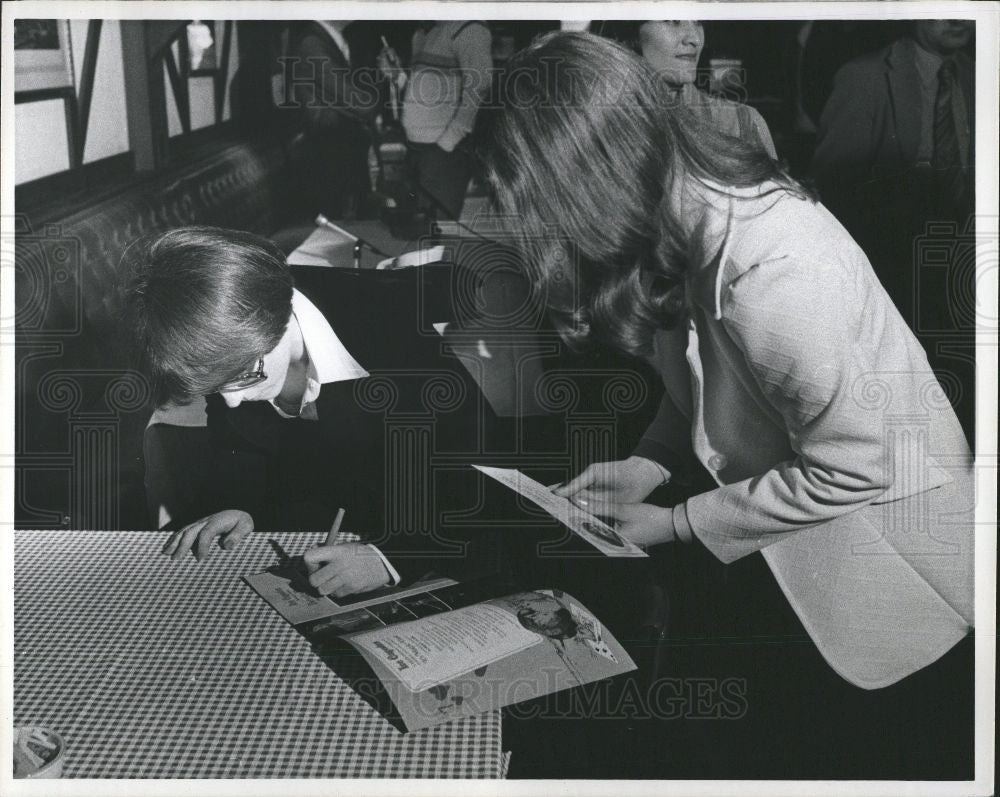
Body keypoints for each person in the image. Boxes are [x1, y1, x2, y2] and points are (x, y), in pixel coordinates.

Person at [483, 32, 974, 778]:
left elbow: (857, 467)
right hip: (799, 549)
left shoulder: (774, 268)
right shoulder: (686, 214)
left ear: (584, 178)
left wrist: (677, 521)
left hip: (892, 568)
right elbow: (714, 384)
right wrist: (649, 463)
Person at [120, 226, 495, 597]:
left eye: (243, 376)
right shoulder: (228, 336)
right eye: (216, 389)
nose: (232, 401)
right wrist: (237, 503)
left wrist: (390, 558)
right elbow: (239, 443)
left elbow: (482, 479)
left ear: (276, 320)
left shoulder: (398, 332)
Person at [810, 20, 975, 437]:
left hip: (965, 272)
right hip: (893, 279)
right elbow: (835, 196)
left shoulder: (977, 74)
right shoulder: (863, 77)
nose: (956, 17)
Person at [602, 20, 777, 158]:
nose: (695, 39)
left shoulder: (741, 124)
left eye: (698, 22)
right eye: (673, 20)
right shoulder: (598, 123)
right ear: (630, 33)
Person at [379, 21, 493, 221]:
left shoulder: (469, 29)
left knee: (438, 231)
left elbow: (479, 90)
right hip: (416, 149)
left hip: (444, 154)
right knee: (420, 231)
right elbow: (420, 91)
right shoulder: (423, 33)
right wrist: (396, 75)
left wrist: (448, 143)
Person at [286, 20, 382, 219]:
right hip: (331, 157)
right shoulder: (312, 42)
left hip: (340, 154)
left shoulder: (327, 38)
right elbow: (360, 104)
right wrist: (389, 79)